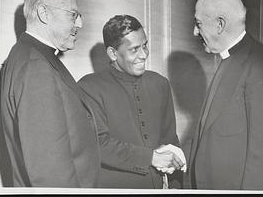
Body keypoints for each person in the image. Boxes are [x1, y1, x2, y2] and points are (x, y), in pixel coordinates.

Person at [0, 0, 100, 187]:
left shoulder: (33, 56)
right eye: (73, 14)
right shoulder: (35, 66)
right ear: (44, 14)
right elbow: (51, 175)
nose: (80, 23)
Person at [78, 14, 186, 189]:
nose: (144, 55)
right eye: (134, 49)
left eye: (145, 46)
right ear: (113, 53)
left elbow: (170, 140)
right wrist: (150, 157)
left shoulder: (160, 84)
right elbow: (99, 144)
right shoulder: (89, 87)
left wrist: (175, 185)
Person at [186, 0, 263, 190]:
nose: (195, 31)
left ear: (220, 25)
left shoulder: (261, 65)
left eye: (198, 24)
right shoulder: (230, 58)